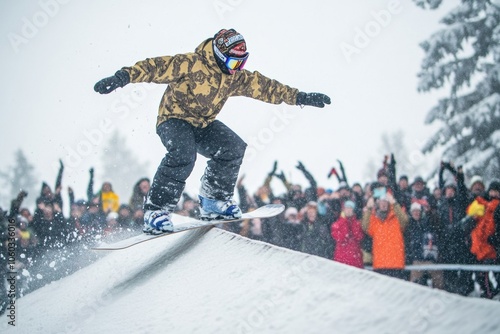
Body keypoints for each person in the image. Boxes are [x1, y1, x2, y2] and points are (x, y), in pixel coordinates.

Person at [94, 28, 330, 235]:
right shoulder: (190, 63)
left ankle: (214, 200)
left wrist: (300, 97)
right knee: (184, 155)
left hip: (202, 124)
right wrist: (121, 77)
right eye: (233, 63)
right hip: (173, 119)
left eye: (242, 63)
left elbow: (266, 88)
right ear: (219, 55)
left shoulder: (235, 77)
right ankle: (156, 211)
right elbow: (153, 67)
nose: (237, 69)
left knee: (234, 147)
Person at [362, 192, 408, 279]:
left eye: (386, 202)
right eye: (381, 202)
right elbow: (365, 226)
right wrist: (368, 208)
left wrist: (395, 203)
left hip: (396, 264)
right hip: (380, 265)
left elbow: (404, 221)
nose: (383, 204)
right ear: (378, 204)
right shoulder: (374, 220)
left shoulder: (396, 218)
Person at [404, 202, 443, 289]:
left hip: (430, 257)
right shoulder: (409, 225)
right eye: (414, 211)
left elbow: (436, 223)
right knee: (414, 284)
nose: (416, 213)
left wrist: (429, 212)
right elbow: (407, 242)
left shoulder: (427, 222)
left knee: (438, 281)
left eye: (418, 211)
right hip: (417, 259)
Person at [331, 201, 364, 268]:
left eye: (350, 208)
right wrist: (345, 222)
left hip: (355, 259)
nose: (348, 210)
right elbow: (341, 238)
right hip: (342, 259)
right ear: (344, 210)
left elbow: (359, 237)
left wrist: (352, 223)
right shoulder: (337, 224)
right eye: (347, 208)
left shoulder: (357, 223)